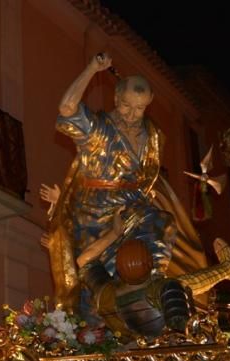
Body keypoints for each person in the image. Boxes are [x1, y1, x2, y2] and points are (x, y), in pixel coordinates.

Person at [45, 52, 207, 315]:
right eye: (126, 106)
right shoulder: (98, 130)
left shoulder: (154, 137)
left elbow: (149, 180)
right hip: (94, 213)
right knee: (92, 279)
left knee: (160, 224)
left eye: (140, 108)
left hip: (134, 207)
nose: (132, 114)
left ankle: (148, 291)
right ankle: (92, 333)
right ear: (116, 98)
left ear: (149, 104)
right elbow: (66, 108)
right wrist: (91, 69)